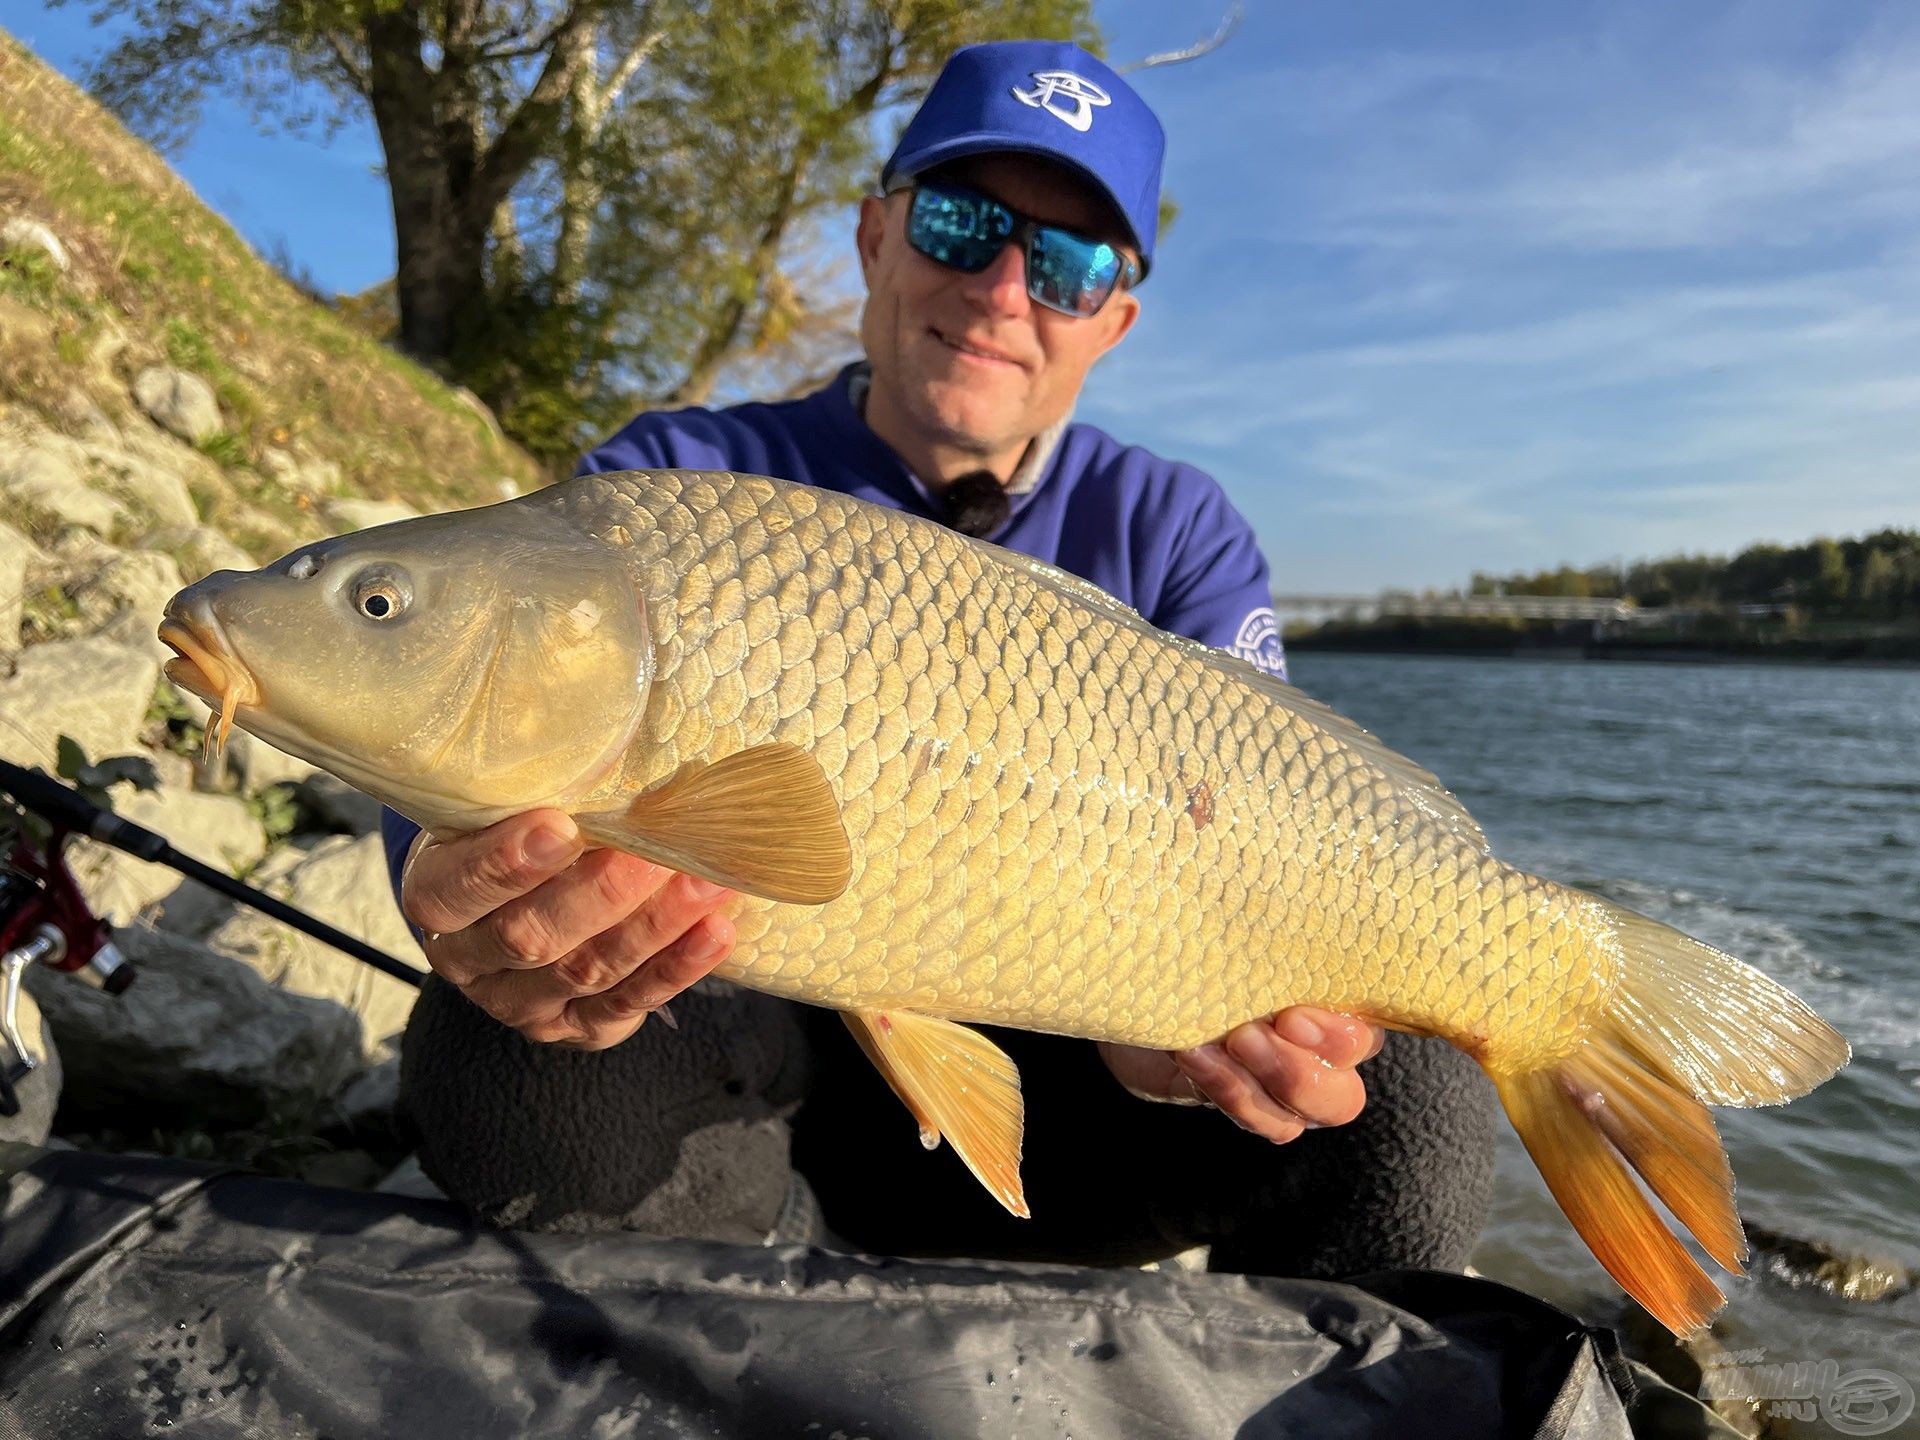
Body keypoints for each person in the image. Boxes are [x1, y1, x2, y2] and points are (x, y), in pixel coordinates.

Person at [381, 40, 1495, 1273]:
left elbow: (1262, 854)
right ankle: (727, 1302)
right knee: (497, 1049)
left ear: (1112, 323)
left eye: (1066, 265)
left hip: (1071, 1109)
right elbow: (453, 746)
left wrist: (1184, 1034)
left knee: (1417, 1088)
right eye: (964, 224)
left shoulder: (1176, 532)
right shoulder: (671, 484)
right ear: (875, 238)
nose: (1005, 288)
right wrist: (459, 899)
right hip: (729, 1088)